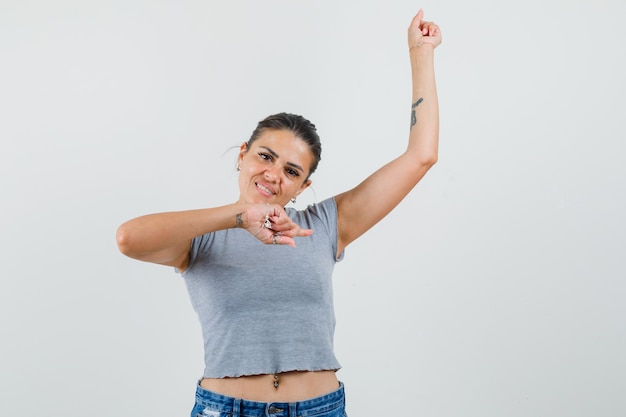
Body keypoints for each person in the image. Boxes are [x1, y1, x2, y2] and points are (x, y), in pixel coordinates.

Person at [116, 9, 441, 417]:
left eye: (291, 171)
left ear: (303, 186)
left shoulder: (323, 225)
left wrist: (420, 52)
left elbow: (421, 157)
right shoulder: (201, 235)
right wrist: (237, 216)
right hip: (226, 409)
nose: (273, 175)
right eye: (265, 157)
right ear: (242, 155)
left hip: (318, 408)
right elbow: (128, 238)